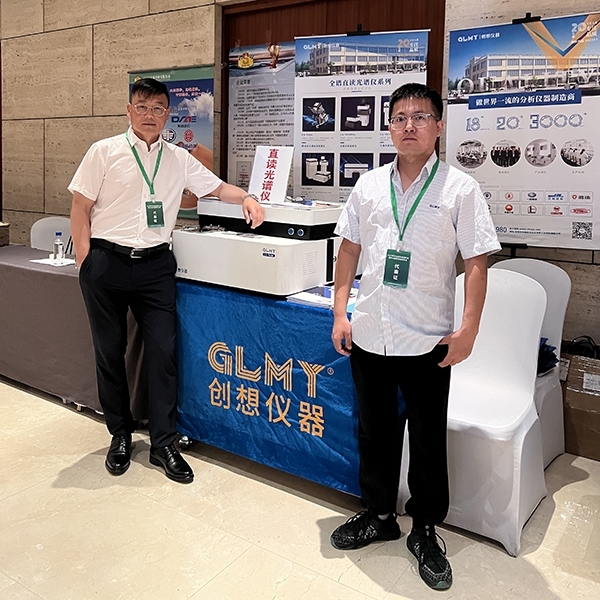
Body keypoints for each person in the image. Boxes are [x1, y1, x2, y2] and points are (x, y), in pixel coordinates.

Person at [329, 83, 500, 590]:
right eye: (400, 117)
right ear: (389, 127)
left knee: (426, 440)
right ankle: (379, 515)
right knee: (374, 432)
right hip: (369, 334)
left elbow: (476, 263)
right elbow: (349, 251)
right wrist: (340, 313)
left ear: (439, 126)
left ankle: (424, 527)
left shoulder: (460, 189)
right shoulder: (368, 186)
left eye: (420, 117)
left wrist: (468, 330)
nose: (409, 125)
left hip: (428, 340)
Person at [69, 78, 264, 484]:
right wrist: (85, 264)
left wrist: (247, 197)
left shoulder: (178, 158)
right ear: (129, 110)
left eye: (158, 108)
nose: (149, 115)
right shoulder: (104, 151)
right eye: (142, 106)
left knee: (163, 352)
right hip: (106, 262)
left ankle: (163, 442)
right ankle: (120, 434)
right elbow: (80, 207)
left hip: (156, 265)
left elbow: (217, 188)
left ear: (167, 114)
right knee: (110, 352)